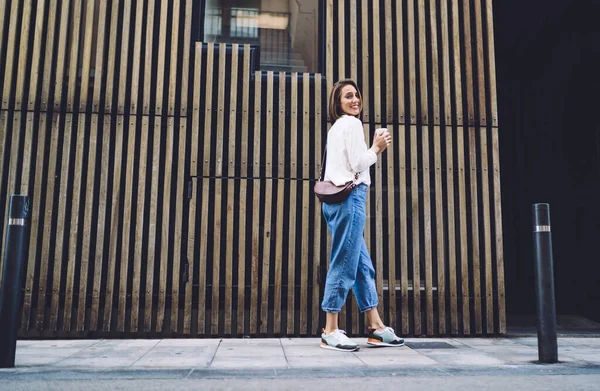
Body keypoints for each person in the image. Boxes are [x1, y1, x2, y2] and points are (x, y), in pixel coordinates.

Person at [319, 79, 404, 352]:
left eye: (356, 95)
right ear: (338, 102)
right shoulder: (352, 124)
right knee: (344, 262)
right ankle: (330, 330)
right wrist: (377, 147)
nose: (355, 100)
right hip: (351, 198)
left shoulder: (335, 129)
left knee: (361, 265)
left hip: (333, 201)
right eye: (347, 96)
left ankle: (376, 327)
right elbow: (357, 164)